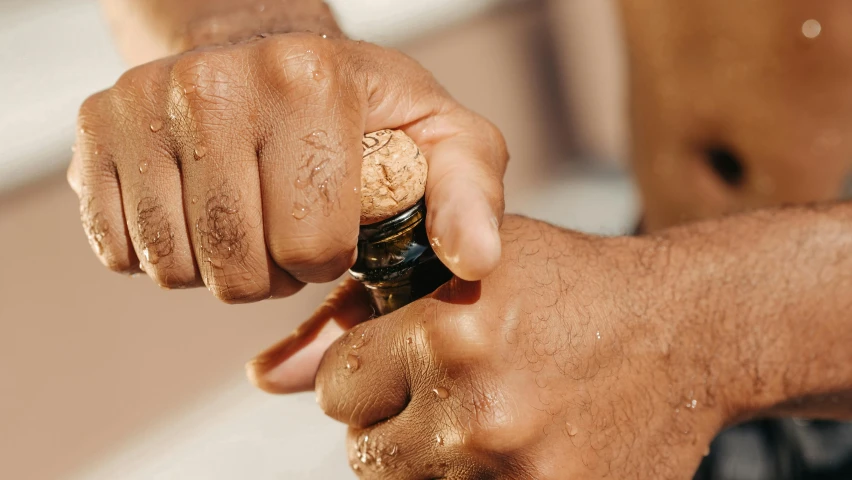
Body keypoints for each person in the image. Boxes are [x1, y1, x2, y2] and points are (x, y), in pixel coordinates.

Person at [68, 0, 851, 478]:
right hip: (654, 293)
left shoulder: (678, 332)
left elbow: (694, 331)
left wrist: (698, 334)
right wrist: (258, 44)